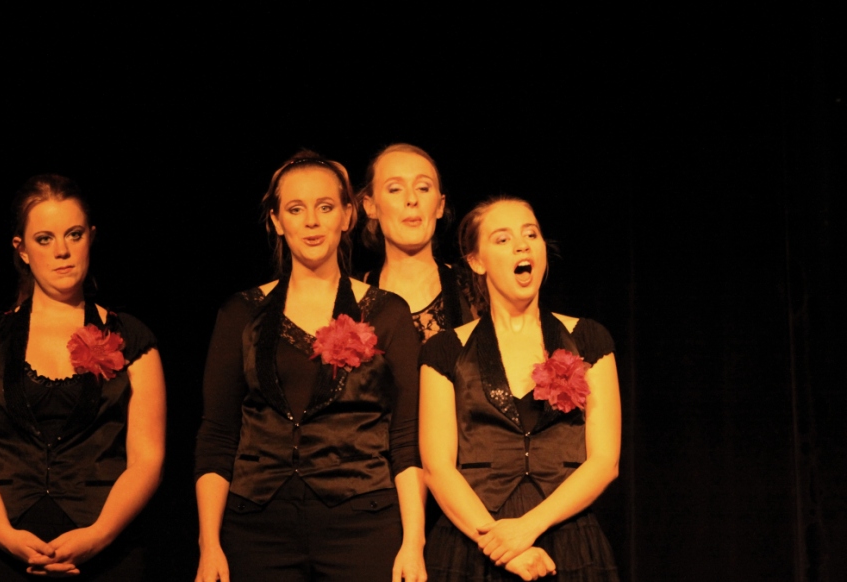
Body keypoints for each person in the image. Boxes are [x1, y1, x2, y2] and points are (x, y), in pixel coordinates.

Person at [194, 151, 427, 582]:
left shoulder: (386, 312)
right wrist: (209, 544)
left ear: (348, 215)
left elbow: (406, 437)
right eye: (296, 209)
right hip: (257, 524)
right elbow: (218, 433)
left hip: (363, 520)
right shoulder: (242, 313)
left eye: (325, 207)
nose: (312, 222)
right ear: (276, 221)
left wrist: (414, 543)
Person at [0, 174, 166, 580]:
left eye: (74, 235)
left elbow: (147, 459)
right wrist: (4, 535)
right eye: (44, 239)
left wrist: (97, 536)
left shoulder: (131, 337)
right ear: (22, 249)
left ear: (91, 237)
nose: (62, 251)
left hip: (107, 554)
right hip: (5, 552)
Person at [419, 197, 621, 581]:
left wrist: (527, 528)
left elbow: (604, 461)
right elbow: (437, 467)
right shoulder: (445, 351)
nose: (522, 245)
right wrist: (503, 547)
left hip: (566, 537)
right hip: (475, 543)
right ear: (476, 261)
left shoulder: (588, 339)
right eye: (503, 239)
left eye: (531, 234)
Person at [358, 144, 478, 343]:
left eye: (423, 188)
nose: (412, 199)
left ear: (440, 205)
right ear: (370, 206)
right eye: (395, 189)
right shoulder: (352, 295)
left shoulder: (475, 290)